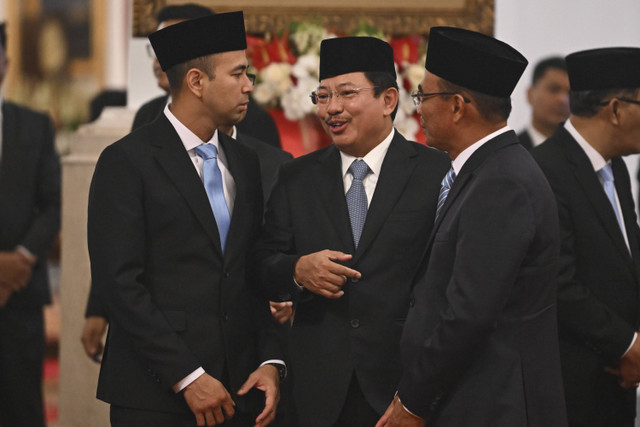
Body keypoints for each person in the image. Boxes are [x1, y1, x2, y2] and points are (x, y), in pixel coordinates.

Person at [87, 12, 283, 426]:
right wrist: (188, 377)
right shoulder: (126, 161)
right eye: (238, 74)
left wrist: (269, 360)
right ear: (196, 82)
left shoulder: (245, 162)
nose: (249, 85)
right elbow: (120, 284)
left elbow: (248, 273)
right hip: (155, 395)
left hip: (237, 392)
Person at [253, 36, 449, 427]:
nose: (332, 109)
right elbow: (261, 265)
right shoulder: (296, 176)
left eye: (346, 93)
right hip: (317, 391)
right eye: (323, 96)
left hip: (404, 387)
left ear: (389, 100)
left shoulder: (435, 172)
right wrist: (297, 270)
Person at [377, 27, 567, 426]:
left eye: (424, 97)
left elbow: (468, 313)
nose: (418, 109)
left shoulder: (502, 181)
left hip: (492, 405)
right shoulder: (487, 170)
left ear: (458, 106)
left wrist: (411, 402)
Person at [532, 47, 640, 427]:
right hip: (570, 389)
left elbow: (626, 264)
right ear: (615, 109)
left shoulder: (619, 170)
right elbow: (557, 282)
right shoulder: (544, 170)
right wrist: (627, 345)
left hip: (616, 383)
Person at [0, 22, 61, 427]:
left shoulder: (34, 125)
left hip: (19, 298)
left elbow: (53, 203)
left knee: (22, 407)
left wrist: (17, 261)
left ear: (5, 62)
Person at [131, 5, 282, 149]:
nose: (159, 60)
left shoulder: (252, 120)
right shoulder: (148, 114)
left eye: (173, 47)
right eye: (157, 49)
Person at [517, 56, 570, 150]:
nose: (563, 100)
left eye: (570, 93)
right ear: (530, 94)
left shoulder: (585, 154)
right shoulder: (510, 152)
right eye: (554, 89)